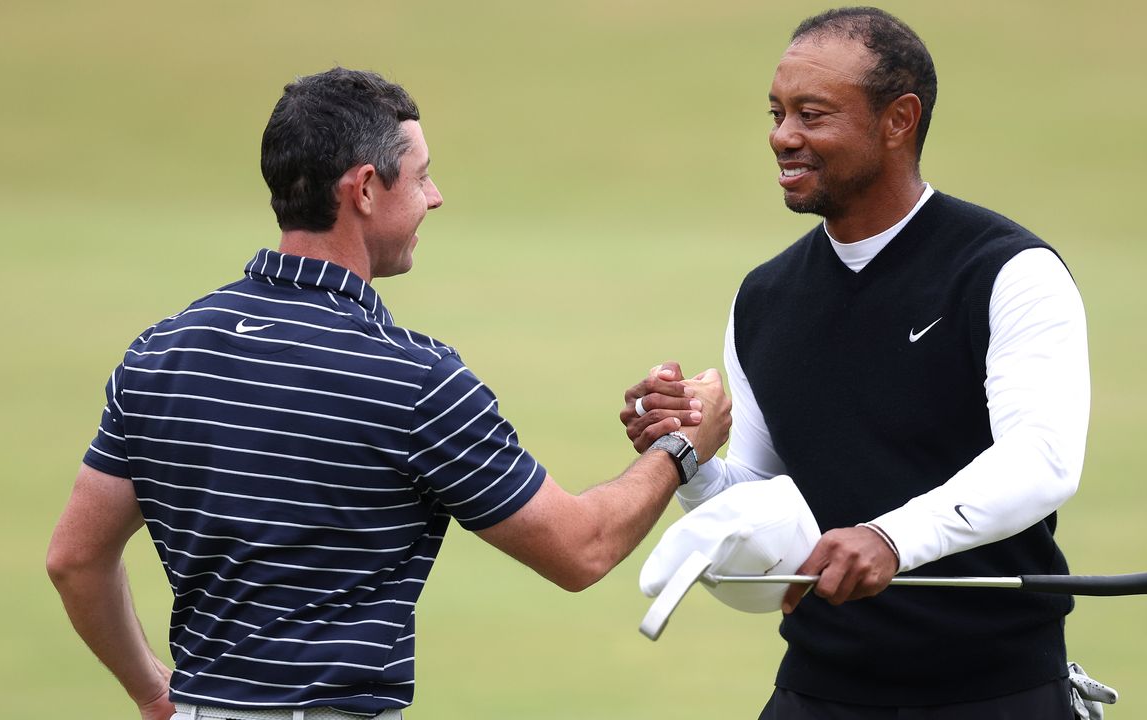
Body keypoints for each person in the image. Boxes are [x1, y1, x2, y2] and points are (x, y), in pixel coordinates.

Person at [46, 67, 731, 720]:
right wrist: (682, 448)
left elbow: (75, 559)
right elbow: (580, 549)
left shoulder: (161, 353)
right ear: (365, 188)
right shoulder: (412, 381)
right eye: (423, 176)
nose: (435, 197)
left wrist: (151, 692)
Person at [622, 7, 1089, 718]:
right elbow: (762, 511)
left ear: (899, 119)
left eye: (811, 114)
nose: (783, 136)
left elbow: (1043, 459)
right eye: (777, 113)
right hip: (820, 690)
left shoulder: (1007, 271)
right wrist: (687, 459)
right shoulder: (765, 297)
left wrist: (890, 537)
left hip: (995, 692)